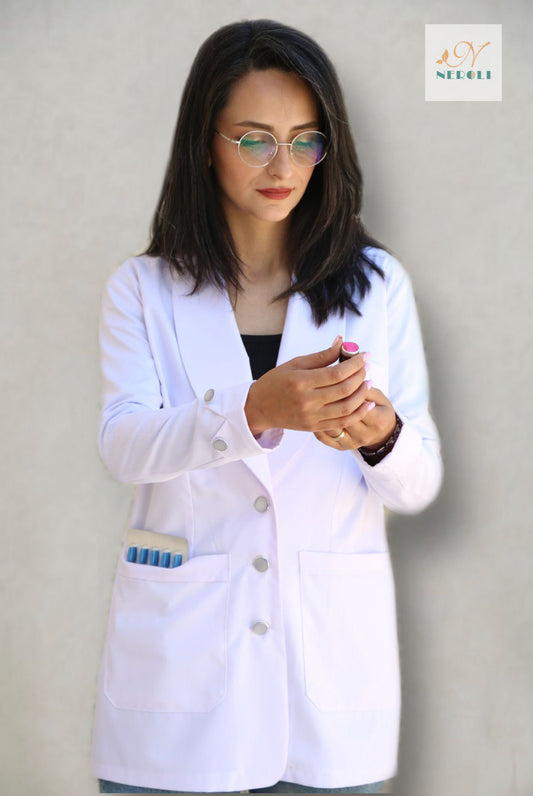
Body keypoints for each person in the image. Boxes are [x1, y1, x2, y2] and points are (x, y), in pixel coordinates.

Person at [92, 19, 442, 795]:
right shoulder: (142, 290)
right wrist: (252, 410)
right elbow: (124, 445)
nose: (283, 166)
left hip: (328, 668)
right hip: (183, 674)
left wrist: (380, 435)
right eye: (254, 140)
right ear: (204, 144)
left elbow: (417, 484)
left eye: (305, 140)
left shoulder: (376, 285)